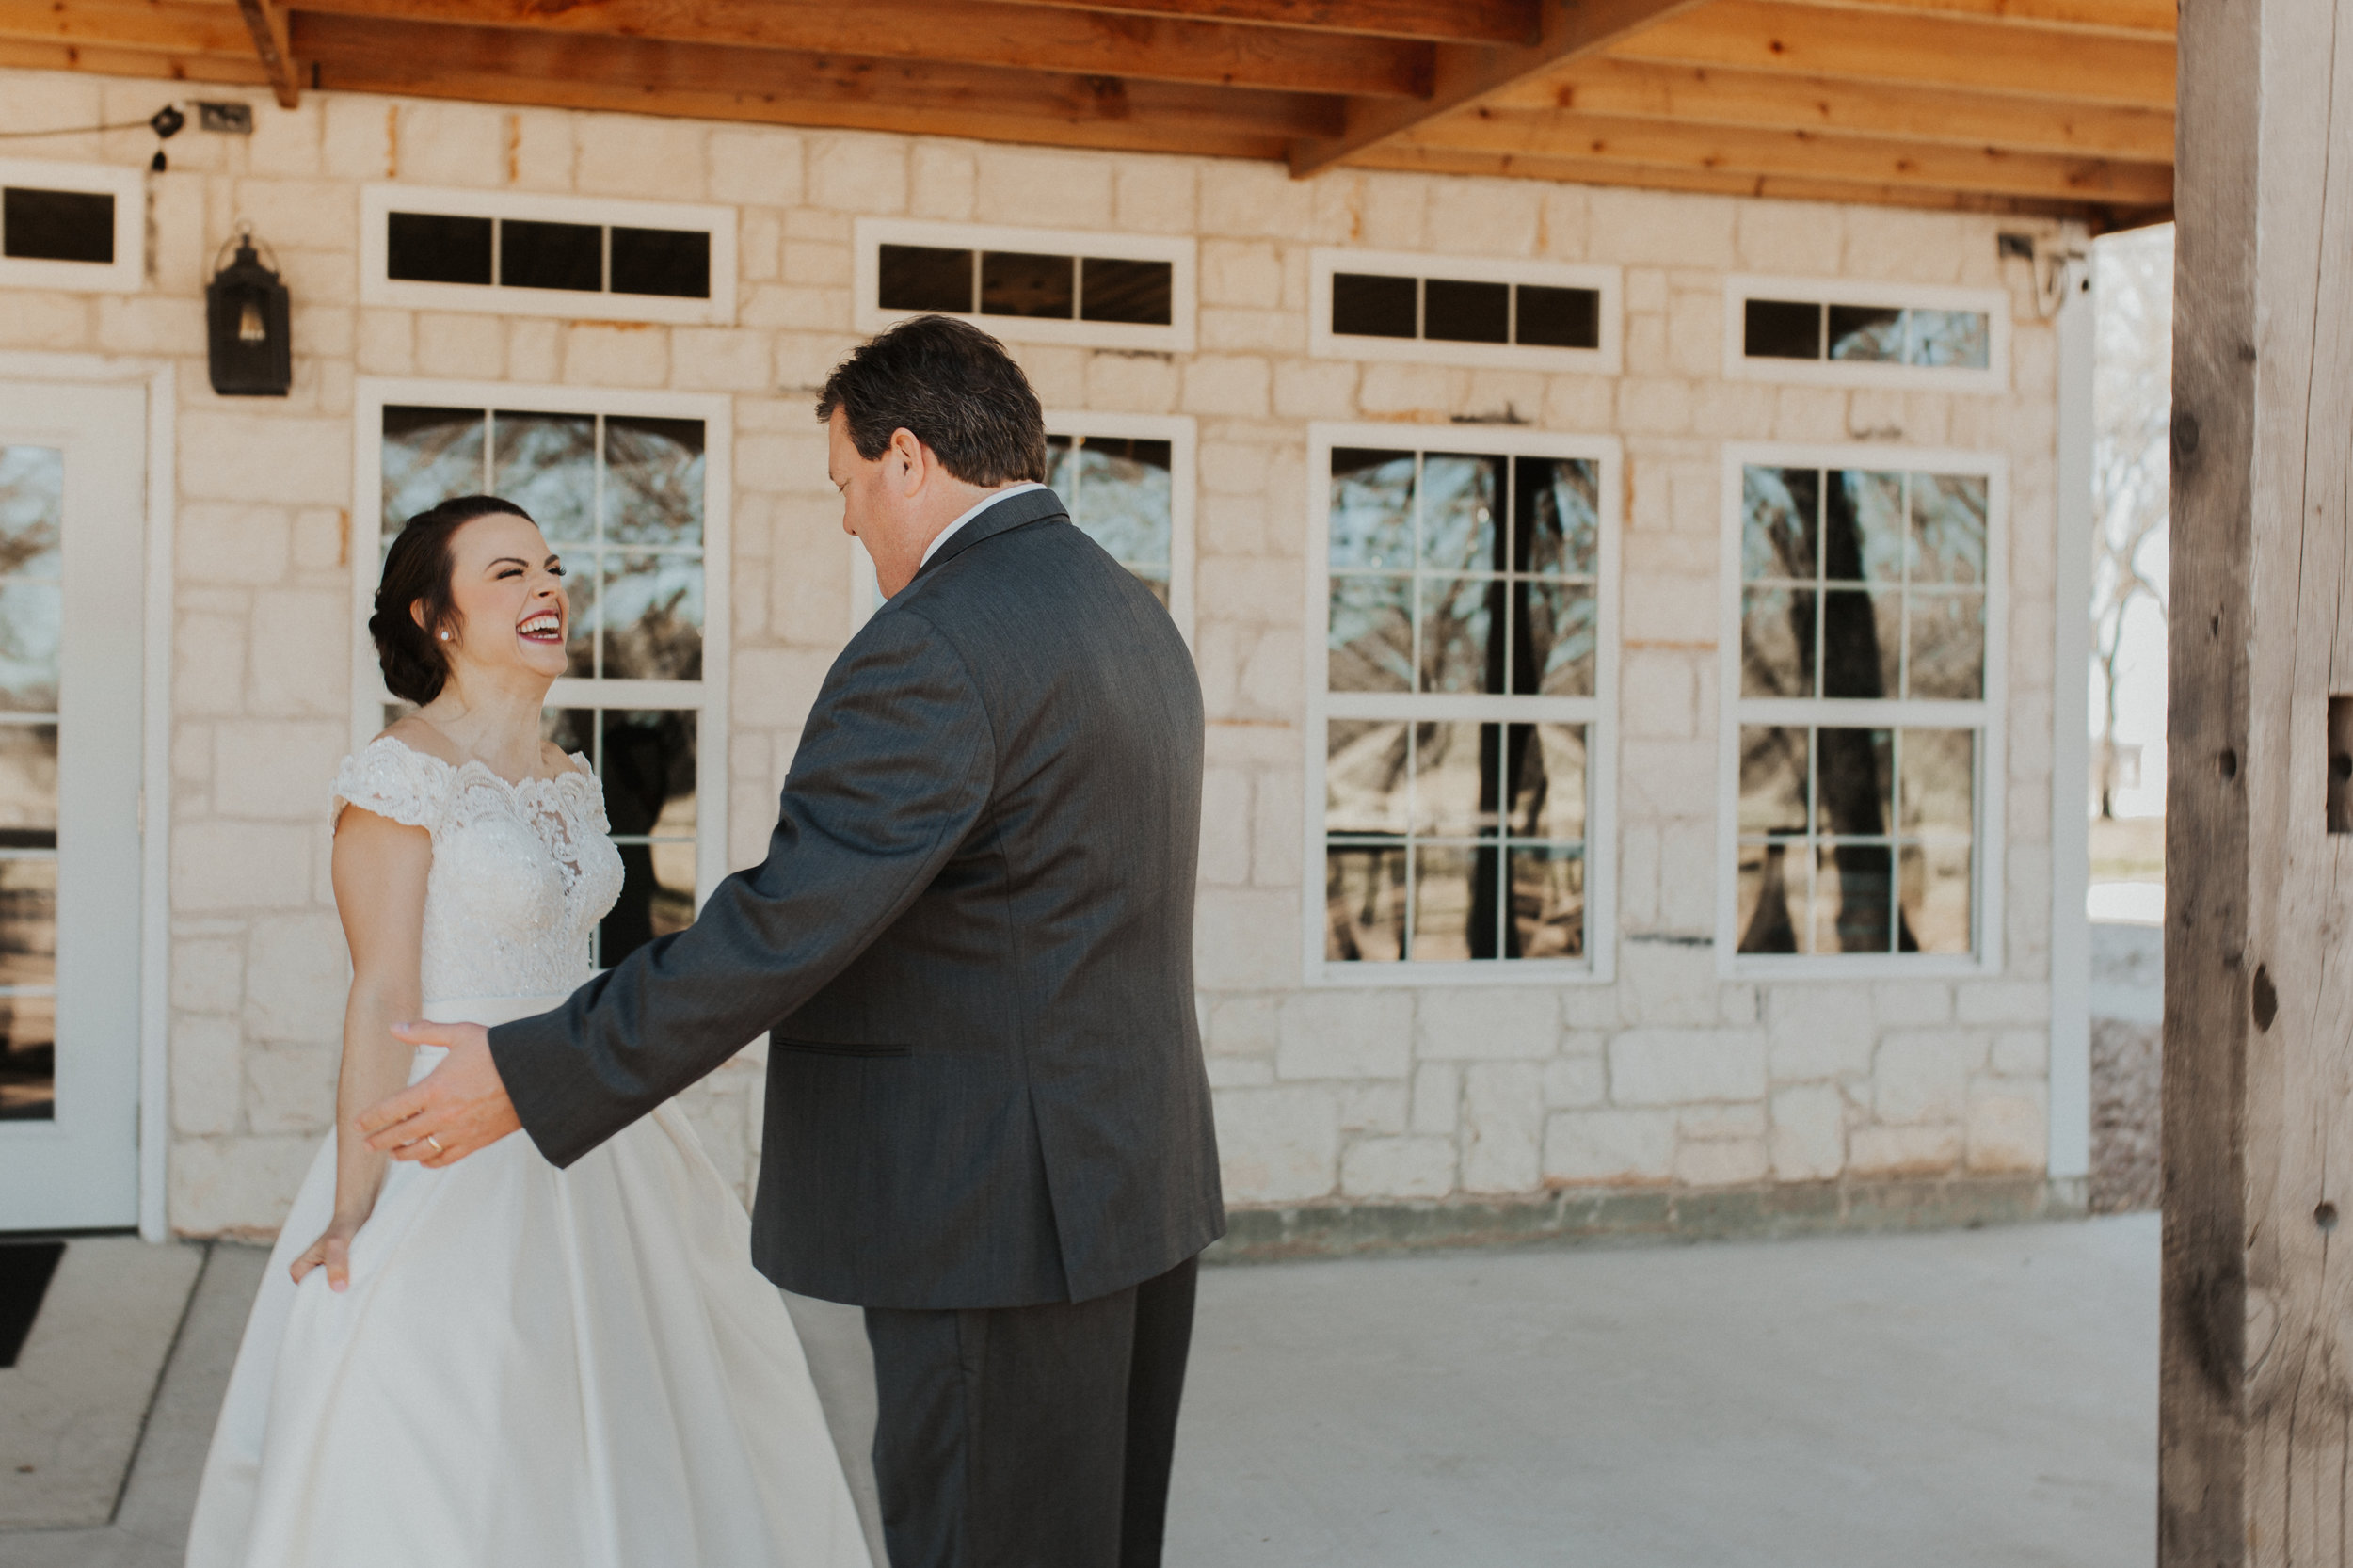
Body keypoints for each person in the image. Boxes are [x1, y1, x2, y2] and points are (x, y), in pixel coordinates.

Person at [361, 315, 1224, 1568]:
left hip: (991, 1208)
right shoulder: (1124, 612)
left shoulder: (935, 642)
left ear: (910, 458)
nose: (846, 520)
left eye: (846, 483)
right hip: (1130, 1185)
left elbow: (787, 923)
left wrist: (531, 1065)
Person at [184, 495, 870, 1568]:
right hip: (453, 1134)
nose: (546, 586)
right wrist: (354, 1204)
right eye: (507, 572)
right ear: (437, 617)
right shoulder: (396, 778)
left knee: (656, 1402)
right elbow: (378, 995)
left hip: (591, 1113)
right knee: (464, 1420)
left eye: (550, 566)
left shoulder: (569, 777)